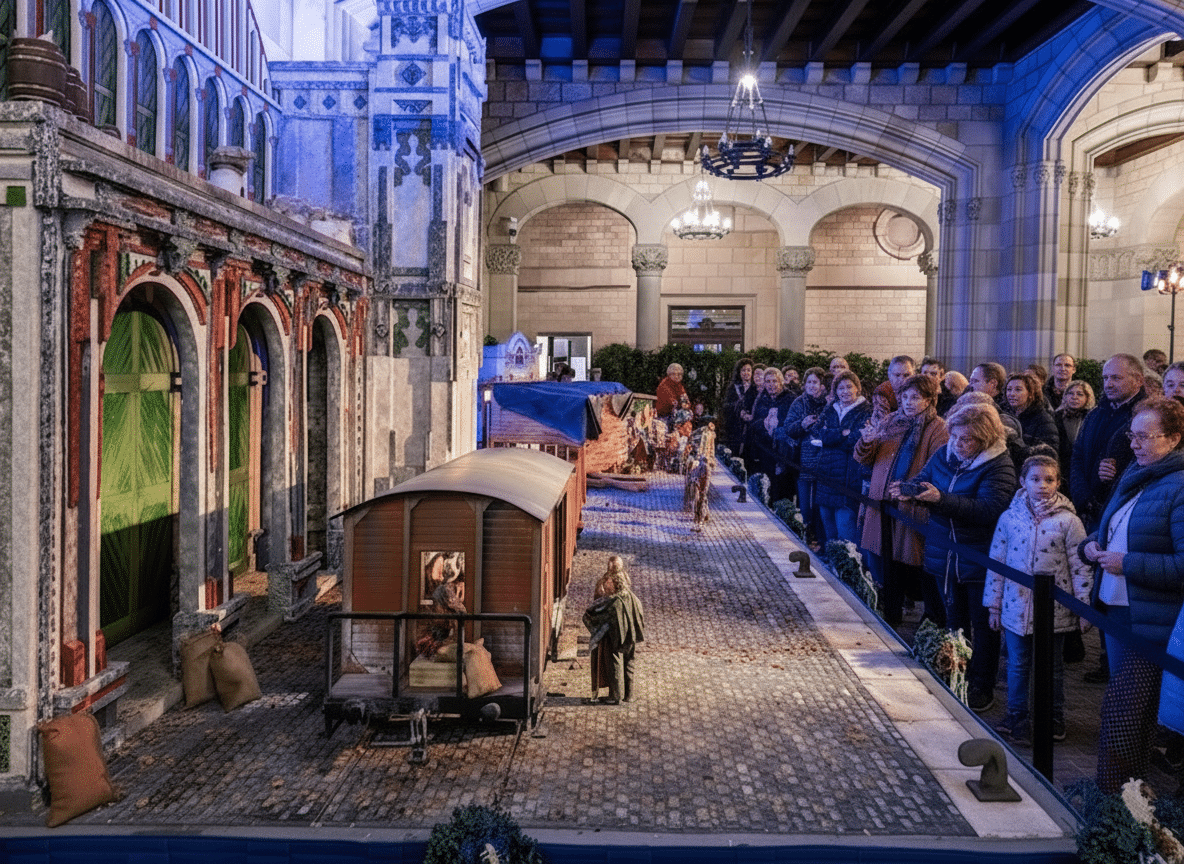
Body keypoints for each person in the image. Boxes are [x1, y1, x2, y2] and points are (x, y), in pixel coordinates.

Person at [1081, 398, 1184, 793]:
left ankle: (1114, 805)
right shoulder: (1137, 473)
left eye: (1145, 436)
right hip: (1118, 608)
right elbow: (1114, 528)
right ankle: (1130, 799)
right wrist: (1090, 546)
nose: (1135, 444)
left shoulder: (1177, 486)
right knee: (1131, 715)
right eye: (1132, 435)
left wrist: (1129, 564)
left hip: (1152, 620)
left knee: (1124, 715)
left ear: (1173, 438)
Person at [903, 402, 1018, 712]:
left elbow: (989, 511)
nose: (957, 443)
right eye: (954, 436)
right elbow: (926, 477)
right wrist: (911, 490)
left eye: (966, 439)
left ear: (985, 438)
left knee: (983, 626)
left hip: (979, 555)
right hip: (945, 552)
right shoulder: (945, 454)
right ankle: (954, 671)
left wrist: (941, 499)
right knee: (954, 620)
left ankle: (982, 684)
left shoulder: (999, 465)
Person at [984, 454, 1092, 743]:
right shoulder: (1009, 518)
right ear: (1023, 481)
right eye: (1035, 479)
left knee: (1052, 665)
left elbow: (1080, 564)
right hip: (1014, 605)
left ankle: (1052, 717)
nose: (1042, 485)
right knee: (1017, 662)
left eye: (1049, 479)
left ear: (1058, 482)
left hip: (1055, 608)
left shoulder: (1069, 521)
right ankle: (1017, 715)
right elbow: (997, 560)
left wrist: (1083, 605)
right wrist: (993, 604)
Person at [853, 373, 948, 626]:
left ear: (929, 400)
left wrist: (910, 489)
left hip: (910, 506)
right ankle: (890, 613)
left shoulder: (937, 427)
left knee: (917, 566)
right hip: (882, 503)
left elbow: (937, 466)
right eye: (904, 397)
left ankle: (931, 619)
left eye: (915, 397)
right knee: (886, 561)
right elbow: (863, 458)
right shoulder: (890, 421)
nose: (908, 402)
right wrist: (867, 441)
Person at [812, 370, 871, 547]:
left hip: (847, 478)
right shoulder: (831, 407)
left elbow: (855, 441)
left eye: (848, 387)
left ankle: (848, 572)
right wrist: (842, 433)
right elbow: (816, 431)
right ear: (835, 391)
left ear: (857, 389)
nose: (844, 391)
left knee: (845, 533)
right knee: (829, 530)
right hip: (825, 476)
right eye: (840, 388)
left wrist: (829, 438)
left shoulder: (866, 411)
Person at [584, 556, 645, 704]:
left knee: (614, 661)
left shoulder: (614, 602)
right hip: (631, 634)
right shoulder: (631, 597)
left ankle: (615, 696)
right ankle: (629, 695)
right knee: (629, 662)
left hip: (618, 635)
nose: (607, 584)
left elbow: (596, 616)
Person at [778, 367, 830, 544]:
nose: (812, 386)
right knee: (805, 505)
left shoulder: (829, 403)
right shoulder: (799, 403)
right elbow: (788, 428)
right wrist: (803, 424)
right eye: (809, 382)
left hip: (824, 461)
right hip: (804, 461)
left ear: (822, 385)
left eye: (815, 382)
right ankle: (807, 538)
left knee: (821, 505)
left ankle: (820, 540)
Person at [1005, 372, 1059, 453]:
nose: (1011, 394)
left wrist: (1018, 445)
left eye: (1018, 389)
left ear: (1030, 393)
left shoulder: (1043, 419)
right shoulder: (1005, 415)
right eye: (1009, 389)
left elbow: (1049, 452)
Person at [1055, 379, 1095, 486]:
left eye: (1080, 394)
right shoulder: (1055, 417)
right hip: (1061, 468)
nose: (1074, 397)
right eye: (1070, 393)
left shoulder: (1093, 418)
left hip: (1085, 469)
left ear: (1087, 397)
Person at [722, 357, 757, 456]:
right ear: (739, 372)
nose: (746, 373)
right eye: (743, 370)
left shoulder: (755, 388)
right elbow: (725, 406)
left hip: (750, 428)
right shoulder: (733, 387)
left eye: (748, 370)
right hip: (735, 427)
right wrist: (738, 410)